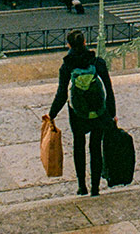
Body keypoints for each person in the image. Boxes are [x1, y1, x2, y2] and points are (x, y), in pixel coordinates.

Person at [47, 30, 115, 197]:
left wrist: (52, 114)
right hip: (98, 111)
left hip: (77, 113)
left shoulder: (67, 66)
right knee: (95, 147)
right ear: (85, 42)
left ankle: (81, 186)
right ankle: (95, 188)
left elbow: (62, 94)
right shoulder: (97, 62)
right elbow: (108, 89)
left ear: (69, 45)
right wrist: (111, 113)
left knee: (79, 146)